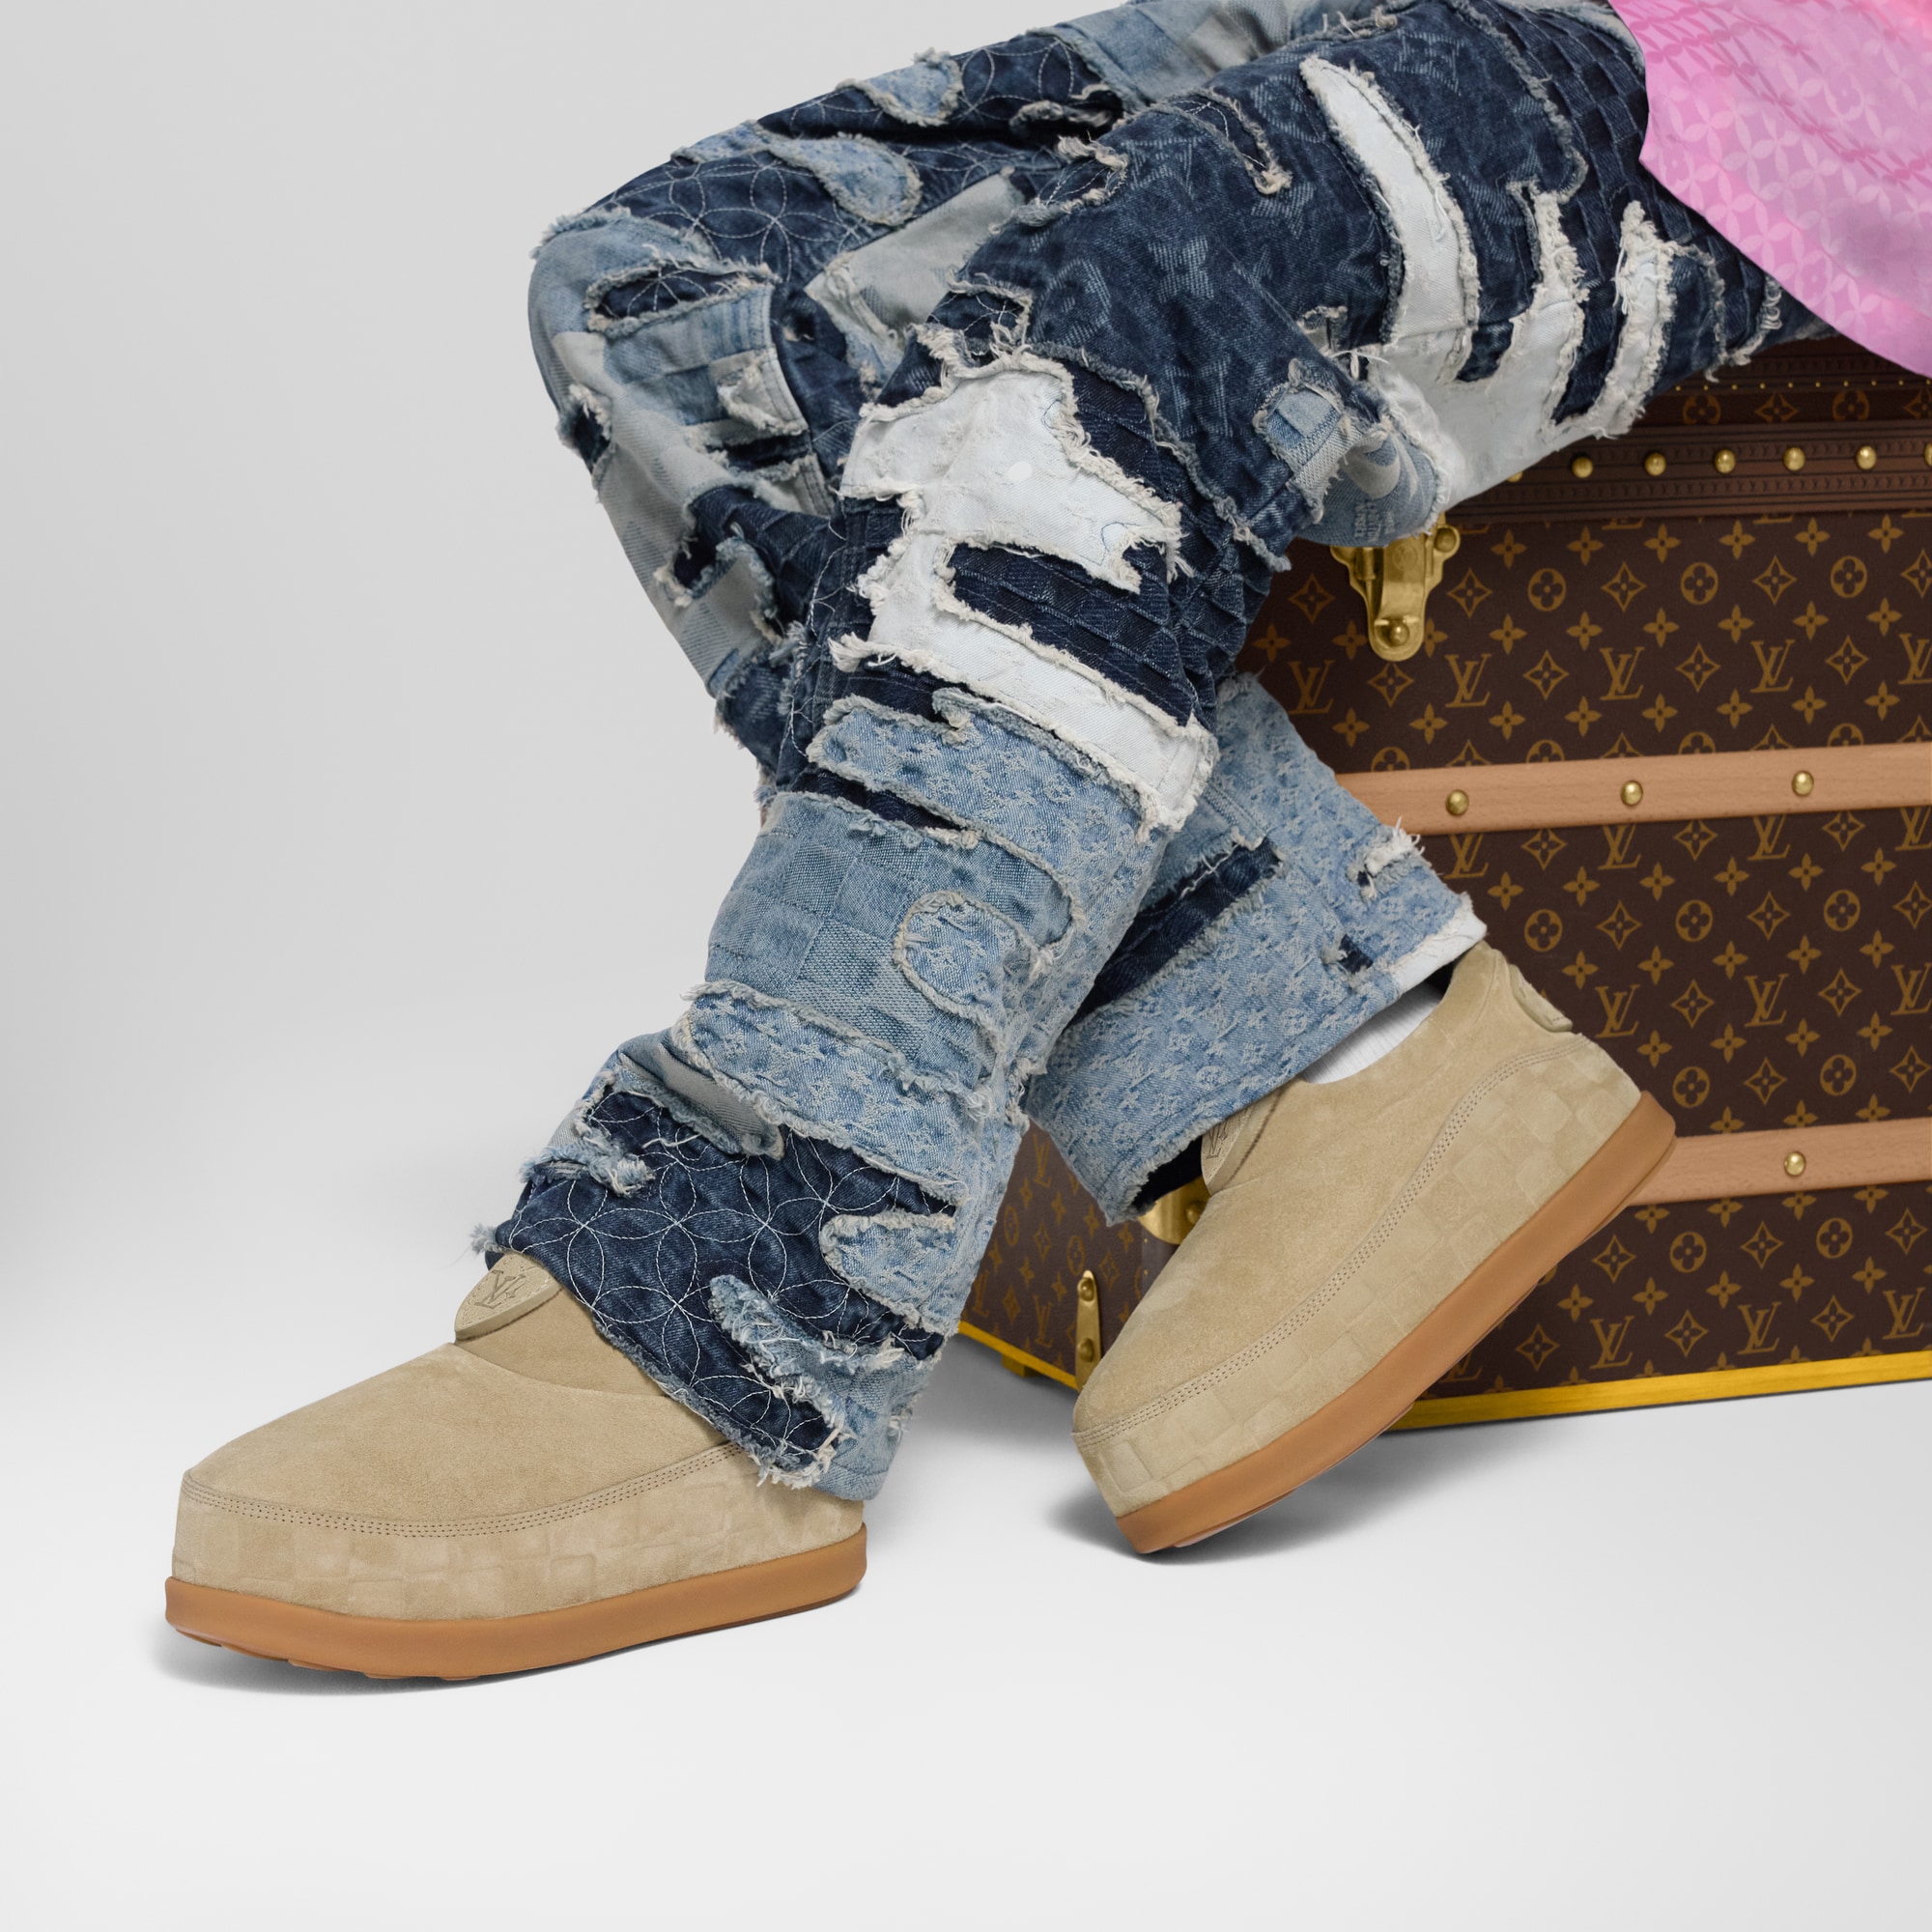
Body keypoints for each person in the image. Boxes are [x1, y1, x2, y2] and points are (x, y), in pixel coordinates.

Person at [162, 0, 1927, 1680]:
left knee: (1154, 263)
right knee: (675, 293)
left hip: (1806, 70)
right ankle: (1341, 1052)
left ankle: (758, 1304)